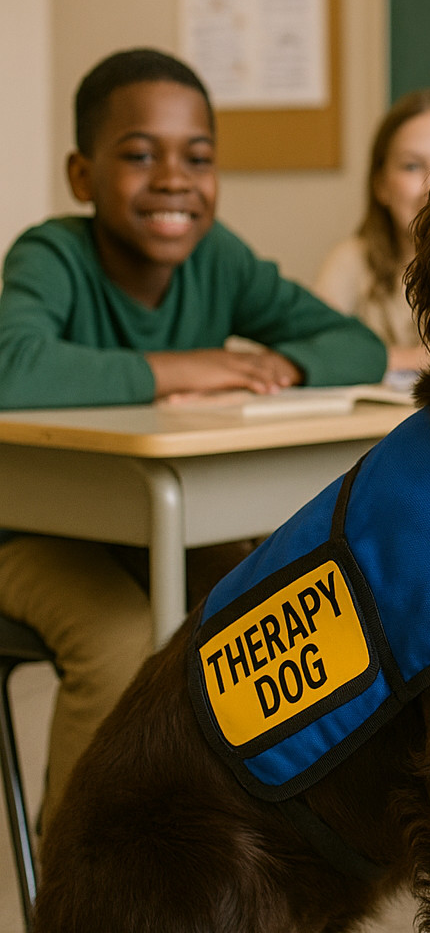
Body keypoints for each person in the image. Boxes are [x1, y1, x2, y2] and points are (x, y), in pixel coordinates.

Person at [0, 48, 386, 834]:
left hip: (154, 526)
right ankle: (84, 866)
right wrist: (195, 367)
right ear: (82, 175)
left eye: (198, 158)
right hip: (28, 534)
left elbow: (356, 345)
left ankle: (221, 834)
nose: (174, 179)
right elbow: (13, 367)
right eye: (139, 154)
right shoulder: (52, 255)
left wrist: (283, 360)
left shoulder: (220, 260)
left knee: (261, 602)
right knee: (114, 638)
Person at [314, 88, 430, 374]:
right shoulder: (352, 260)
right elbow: (316, 351)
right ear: (381, 185)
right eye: (412, 166)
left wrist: (376, 358)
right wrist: (416, 358)